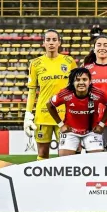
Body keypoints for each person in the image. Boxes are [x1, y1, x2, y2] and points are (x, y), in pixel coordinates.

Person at [24, 29, 77, 160]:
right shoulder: (35, 63)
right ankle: (41, 181)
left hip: (65, 115)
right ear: (43, 43)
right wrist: (28, 114)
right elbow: (32, 90)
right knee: (42, 153)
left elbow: (76, 88)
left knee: (67, 154)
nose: (51, 43)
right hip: (43, 114)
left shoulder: (69, 61)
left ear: (59, 43)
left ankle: (66, 180)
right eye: (48, 40)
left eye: (54, 40)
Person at [46, 68, 107, 156]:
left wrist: (101, 124)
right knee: (65, 162)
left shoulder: (98, 93)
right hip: (70, 131)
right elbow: (49, 105)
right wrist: (61, 125)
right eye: (77, 80)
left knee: (97, 161)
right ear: (73, 82)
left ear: (90, 81)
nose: (81, 82)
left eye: (84, 79)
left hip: (92, 131)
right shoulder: (65, 94)